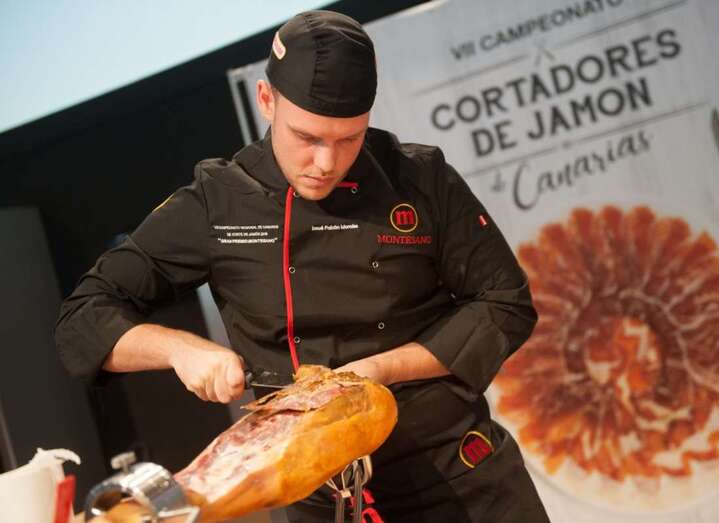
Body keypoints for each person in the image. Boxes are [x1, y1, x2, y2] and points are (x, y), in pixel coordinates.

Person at [56, 10, 549, 523]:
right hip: (317, 493)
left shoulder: (421, 179)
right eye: (307, 137)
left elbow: (505, 303)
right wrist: (180, 350)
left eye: (348, 139)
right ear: (266, 101)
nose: (326, 163)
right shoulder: (218, 203)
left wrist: (378, 371)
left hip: (458, 477)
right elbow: (83, 317)